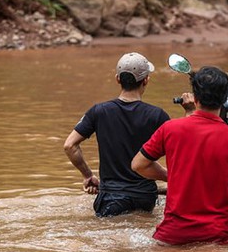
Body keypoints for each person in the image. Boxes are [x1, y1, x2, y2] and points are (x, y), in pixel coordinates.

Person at [131, 66, 228, 245]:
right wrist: (214, 195)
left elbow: (138, 165)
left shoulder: (169, 129)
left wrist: (171, 177)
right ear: (225, 99)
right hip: (215, 234)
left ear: (195, 97)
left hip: (173, 234)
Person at [64, 52, 171, 217]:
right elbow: (180, 152)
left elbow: (69, 145)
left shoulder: (99, 111)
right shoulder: (157, 115)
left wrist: (88, 175)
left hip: (110, 197)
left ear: (117, 79)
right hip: (145, 197)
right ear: (146, 80)